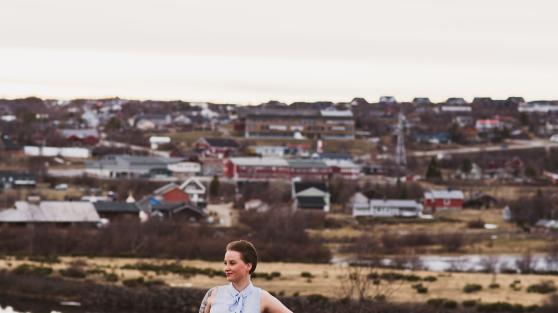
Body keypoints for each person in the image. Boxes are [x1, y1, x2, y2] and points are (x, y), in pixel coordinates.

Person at [199, 240, 293, 313]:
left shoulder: (262, 297)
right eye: (225, 263)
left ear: (248, 266)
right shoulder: (214, 293)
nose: (226, 268)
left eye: (232, 263)